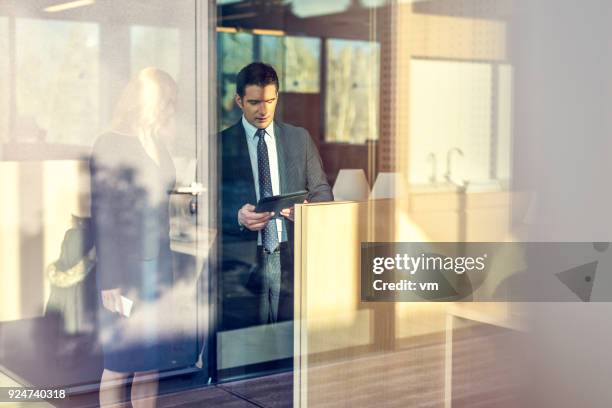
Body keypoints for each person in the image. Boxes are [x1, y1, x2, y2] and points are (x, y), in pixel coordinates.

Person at [218, 62, 333, 325]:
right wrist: (236, 216)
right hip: (244, 259)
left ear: (277, 97)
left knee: (289, 342)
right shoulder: (218, 145)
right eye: (255, 102)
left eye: (270, 101)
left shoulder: (299, 139)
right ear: (239, 100)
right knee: (248, 344)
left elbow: (322, 192)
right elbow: (205, 206)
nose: (264, 110)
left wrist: (307, 211)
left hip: (291, 256)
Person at [90, 67, 177, 408]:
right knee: (119, 364)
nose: (170, 109)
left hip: (157, 268)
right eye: (165, 102)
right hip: (125, 273)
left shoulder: (154, 141)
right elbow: (105, 219)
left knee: (150, 364)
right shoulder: (110, 142)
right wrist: (110, 280)